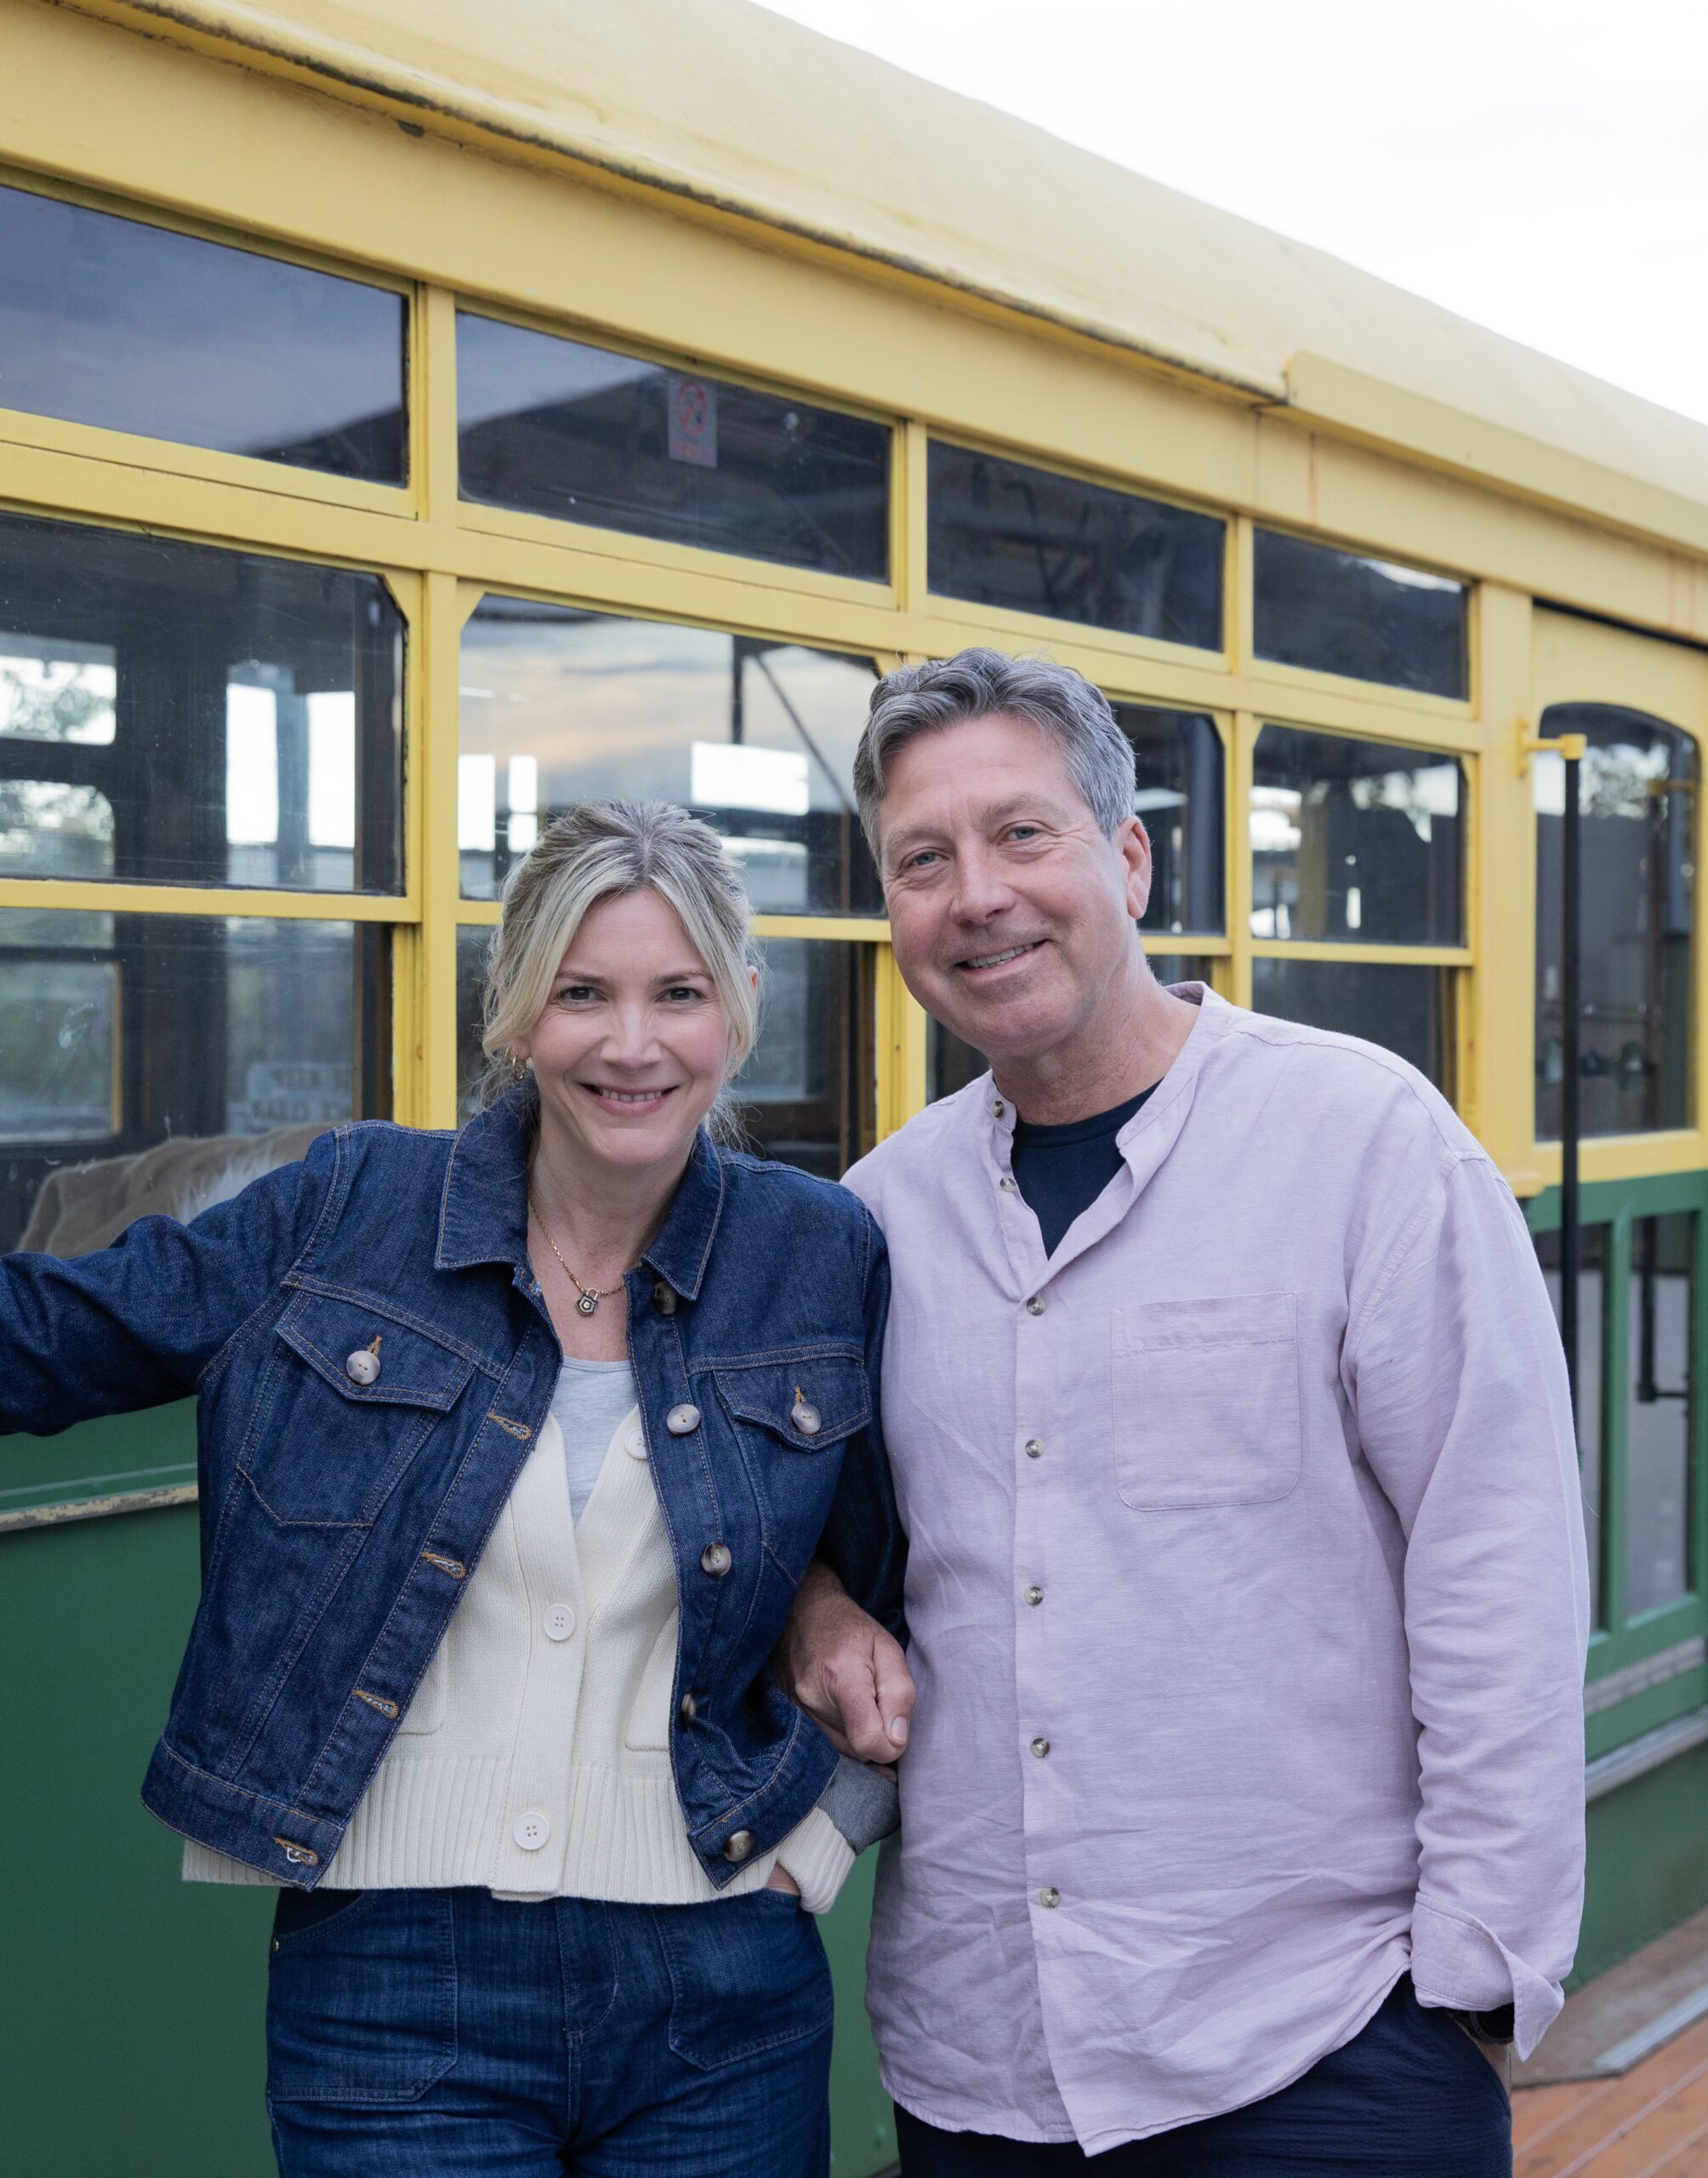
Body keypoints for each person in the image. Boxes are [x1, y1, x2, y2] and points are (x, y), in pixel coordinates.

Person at [1, 800, 903, 2178]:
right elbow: (58, 1335)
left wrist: (829, 1838)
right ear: (514, 1010)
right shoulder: (354, 1206)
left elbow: (916, 1579)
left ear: (742, 1007)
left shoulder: (819, 1251)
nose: (633, 1044)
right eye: (582, 994)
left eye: (678, 994)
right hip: (395, 1985)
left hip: (724, 1988)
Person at [776, 649, 1589, 2176]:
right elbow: (807, 1534)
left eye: (1024, 834)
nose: (977, 896)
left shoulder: (1364, 1142)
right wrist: (815, 1603)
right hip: (983, 2063)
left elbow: (1500, 1562)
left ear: (1132, 859)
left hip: (1324, 2045)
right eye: (922, 862)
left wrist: (1473, 1986)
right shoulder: (876, 1218)